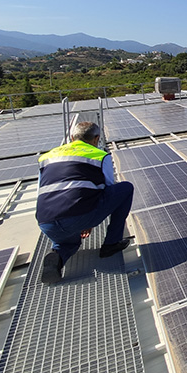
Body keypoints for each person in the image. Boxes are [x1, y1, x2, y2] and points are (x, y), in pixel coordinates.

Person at [36, 121, 134, 284]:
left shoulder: (47, 157)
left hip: (46, 221)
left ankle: (57, 257)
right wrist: (88, 219)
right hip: (79, 215)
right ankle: (112, 243)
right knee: (125, 189)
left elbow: (42, 190)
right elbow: (107, 189)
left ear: (72, 137)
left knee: (67, 241)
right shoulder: (99, 155)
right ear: (96, 139)